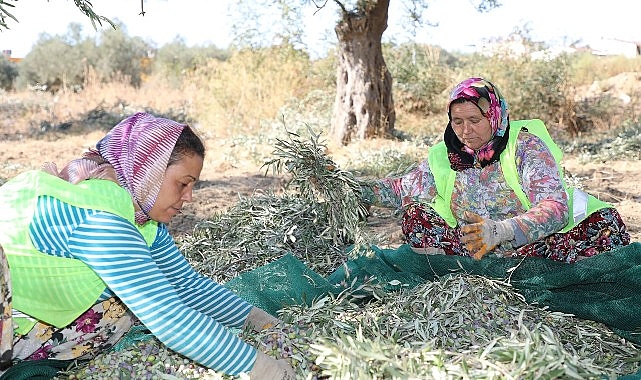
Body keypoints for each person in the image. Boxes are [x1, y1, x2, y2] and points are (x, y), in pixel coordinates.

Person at [0, 112, 295, 379]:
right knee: (132, 304)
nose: (189, 197)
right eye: (183, 183)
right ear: (148, 170)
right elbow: (169, 317)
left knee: (131, 301)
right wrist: (267, 371)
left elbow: (187, 285)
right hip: (9, 321)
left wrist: (261, 322)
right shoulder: (101, 218)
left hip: (24, 315)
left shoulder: (140, 216)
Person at [361, 77, 630, 263]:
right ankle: (479, 269)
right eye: (457, 121)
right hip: (477, 246)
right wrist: (353, 190)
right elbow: (400, 190)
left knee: (598, 234)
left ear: (494, 115)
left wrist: (504, 230)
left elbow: (554, 207)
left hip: (537, 240)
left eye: (475, 120)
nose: (465, 131)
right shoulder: (446, 155)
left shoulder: (525, 147)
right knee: (416, 216)